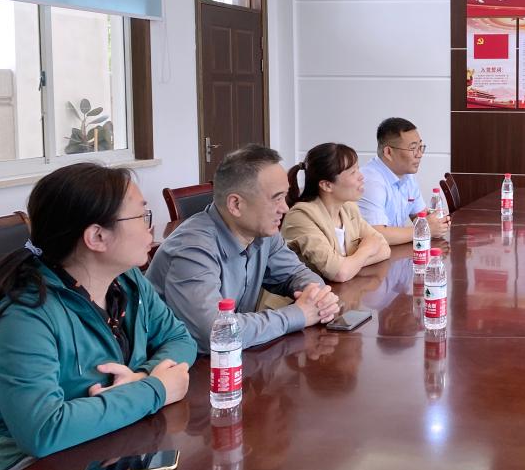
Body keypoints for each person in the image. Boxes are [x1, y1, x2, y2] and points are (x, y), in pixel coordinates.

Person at [0, 164, 196, 470]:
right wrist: (156, 389)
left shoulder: (129, 281)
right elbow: (43, 430)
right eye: (141, 216)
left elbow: (179, 338)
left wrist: (142, 376)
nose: (151, 227)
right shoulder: (27, 316)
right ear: (97, 236)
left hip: (107, 445)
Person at [147, 144, 340, 353]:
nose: (285, 208)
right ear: (236, 205)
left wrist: (317, 296)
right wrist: (298, 314)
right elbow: (217, 333)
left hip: (234, 359)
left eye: (285, 197)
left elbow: (296, 273)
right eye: (276, 198)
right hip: (180, 365)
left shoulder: (264, 233)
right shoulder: (191, 250)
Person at [281, 142, 391, 282]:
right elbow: (340, 273)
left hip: (337, 292)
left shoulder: (348, 208)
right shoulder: (301, 216)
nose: (361, 176)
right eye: (353, 172)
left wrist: (348, 263)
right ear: (327, 185)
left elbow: (384, 248)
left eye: (358, 169)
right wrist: (367, 249)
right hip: (300, 295)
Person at [358, 117, 450, 245]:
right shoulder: (370, 181)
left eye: (420, 147)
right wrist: (426, 228)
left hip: (395, 252)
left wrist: (438, 221)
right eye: (413, 148)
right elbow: (377, 235)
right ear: (388, 152)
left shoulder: (406, 176)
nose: (419, 154)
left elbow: (420, 216)